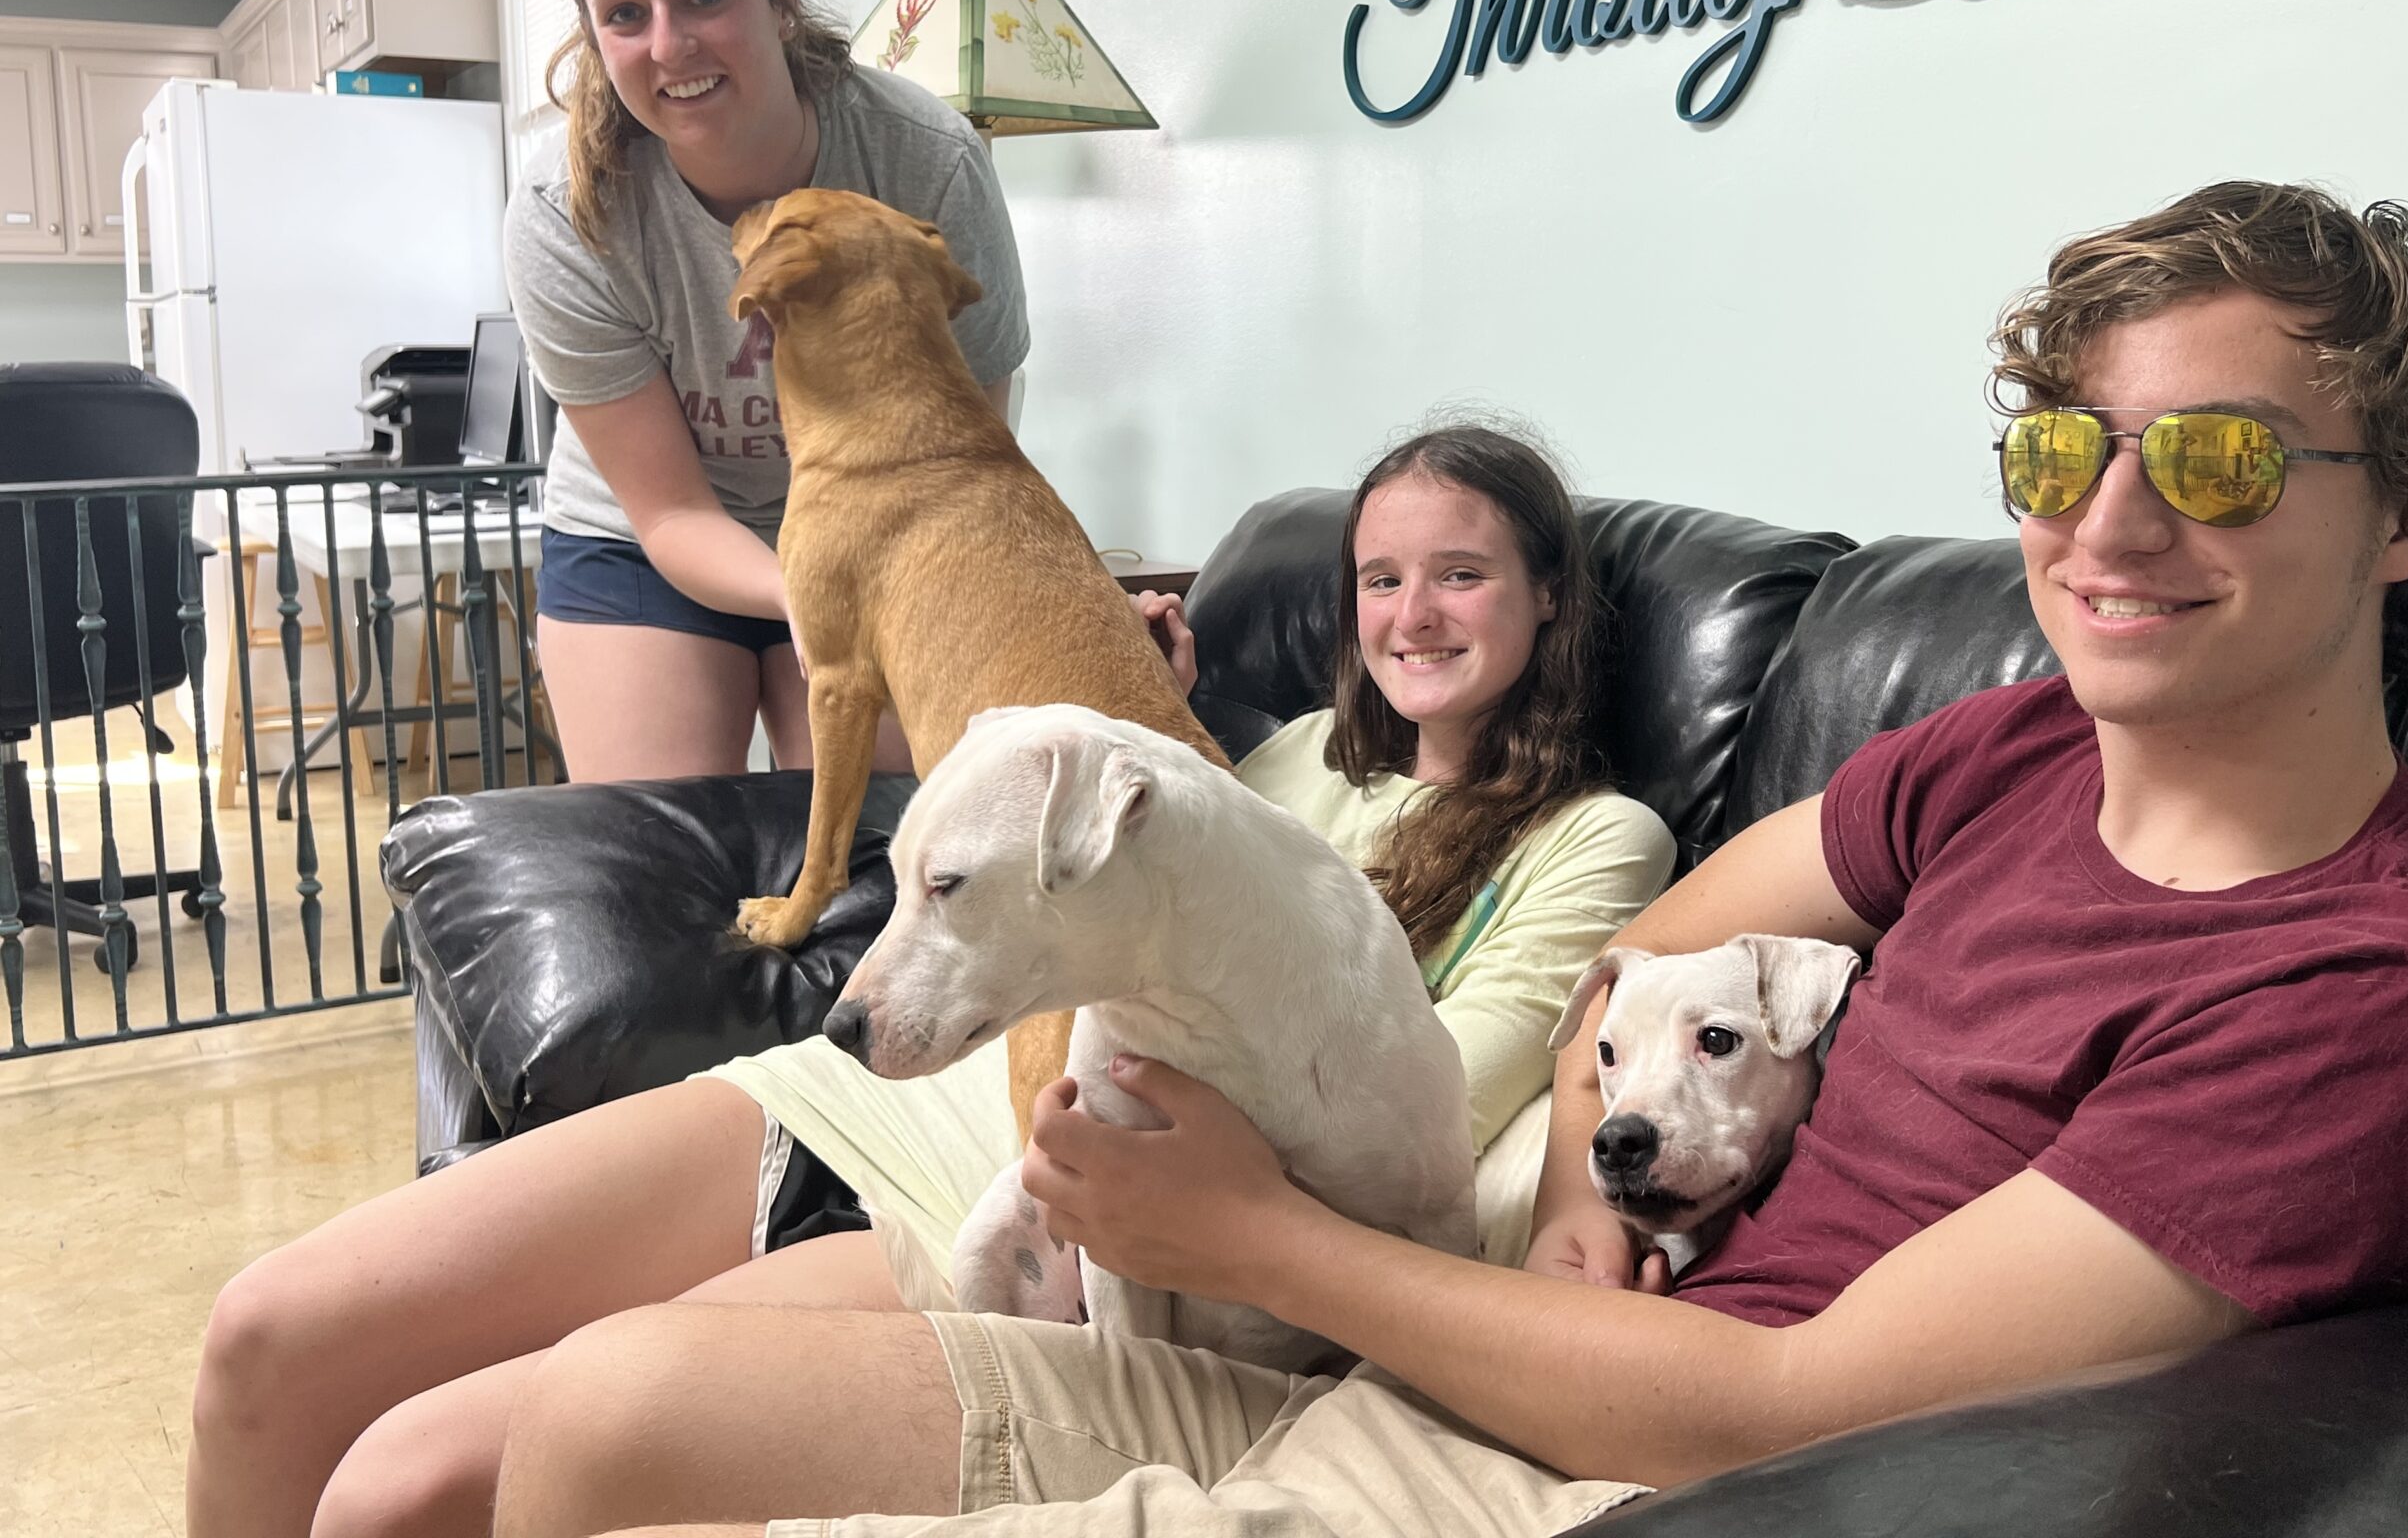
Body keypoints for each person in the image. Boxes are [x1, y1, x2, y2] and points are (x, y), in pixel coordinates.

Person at [476, 181, 2408, 1538]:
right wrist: (1577, 1186)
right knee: (581, 1432)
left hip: (1596, 1479)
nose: (2099, 533)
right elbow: (1647, 957)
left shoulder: (2374, 1004)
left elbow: (1784, 1414)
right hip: (1473, 1342)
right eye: (2055, 454)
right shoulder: (2006, 748)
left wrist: (1265, 1244)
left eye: (2211, 462)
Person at [185, 423, 1676, 1538]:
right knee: (273, 1333)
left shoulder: (1597, 838)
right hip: (942, 1107)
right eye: (1379, 579)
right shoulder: (1272, 759)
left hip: (1079, 1207)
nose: (1411, 613)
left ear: (1548, 597)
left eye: (1462, 575)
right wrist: (1137, 688)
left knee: (415, 1481)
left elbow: (1449, 1082)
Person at [507, 0, 1030, 783]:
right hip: (641, 546)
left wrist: (903, 583)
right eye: (625, 15)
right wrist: (812, 589)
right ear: (595, 40)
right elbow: (669, 516)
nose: (669, 45)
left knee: (900, 837)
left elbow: (967, 453)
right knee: (664, 850)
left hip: (876, 532)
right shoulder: (564, 211)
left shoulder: (929, 162)